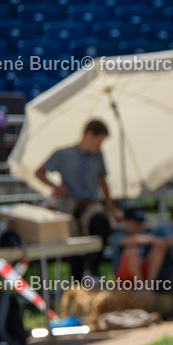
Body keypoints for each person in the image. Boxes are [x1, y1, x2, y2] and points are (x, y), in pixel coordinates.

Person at [34, 119, 120, 280]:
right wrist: (55, 186)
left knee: (101, 223)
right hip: (69, 205)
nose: (99, 146)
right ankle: (77, 280)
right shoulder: (63, 154)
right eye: (99, 141)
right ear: (89, 135)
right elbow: (39, 172)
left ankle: (92, 272)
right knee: (73, 247)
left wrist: (112, 209)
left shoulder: (98, 156)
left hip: (90, 205)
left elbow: (103, 183)